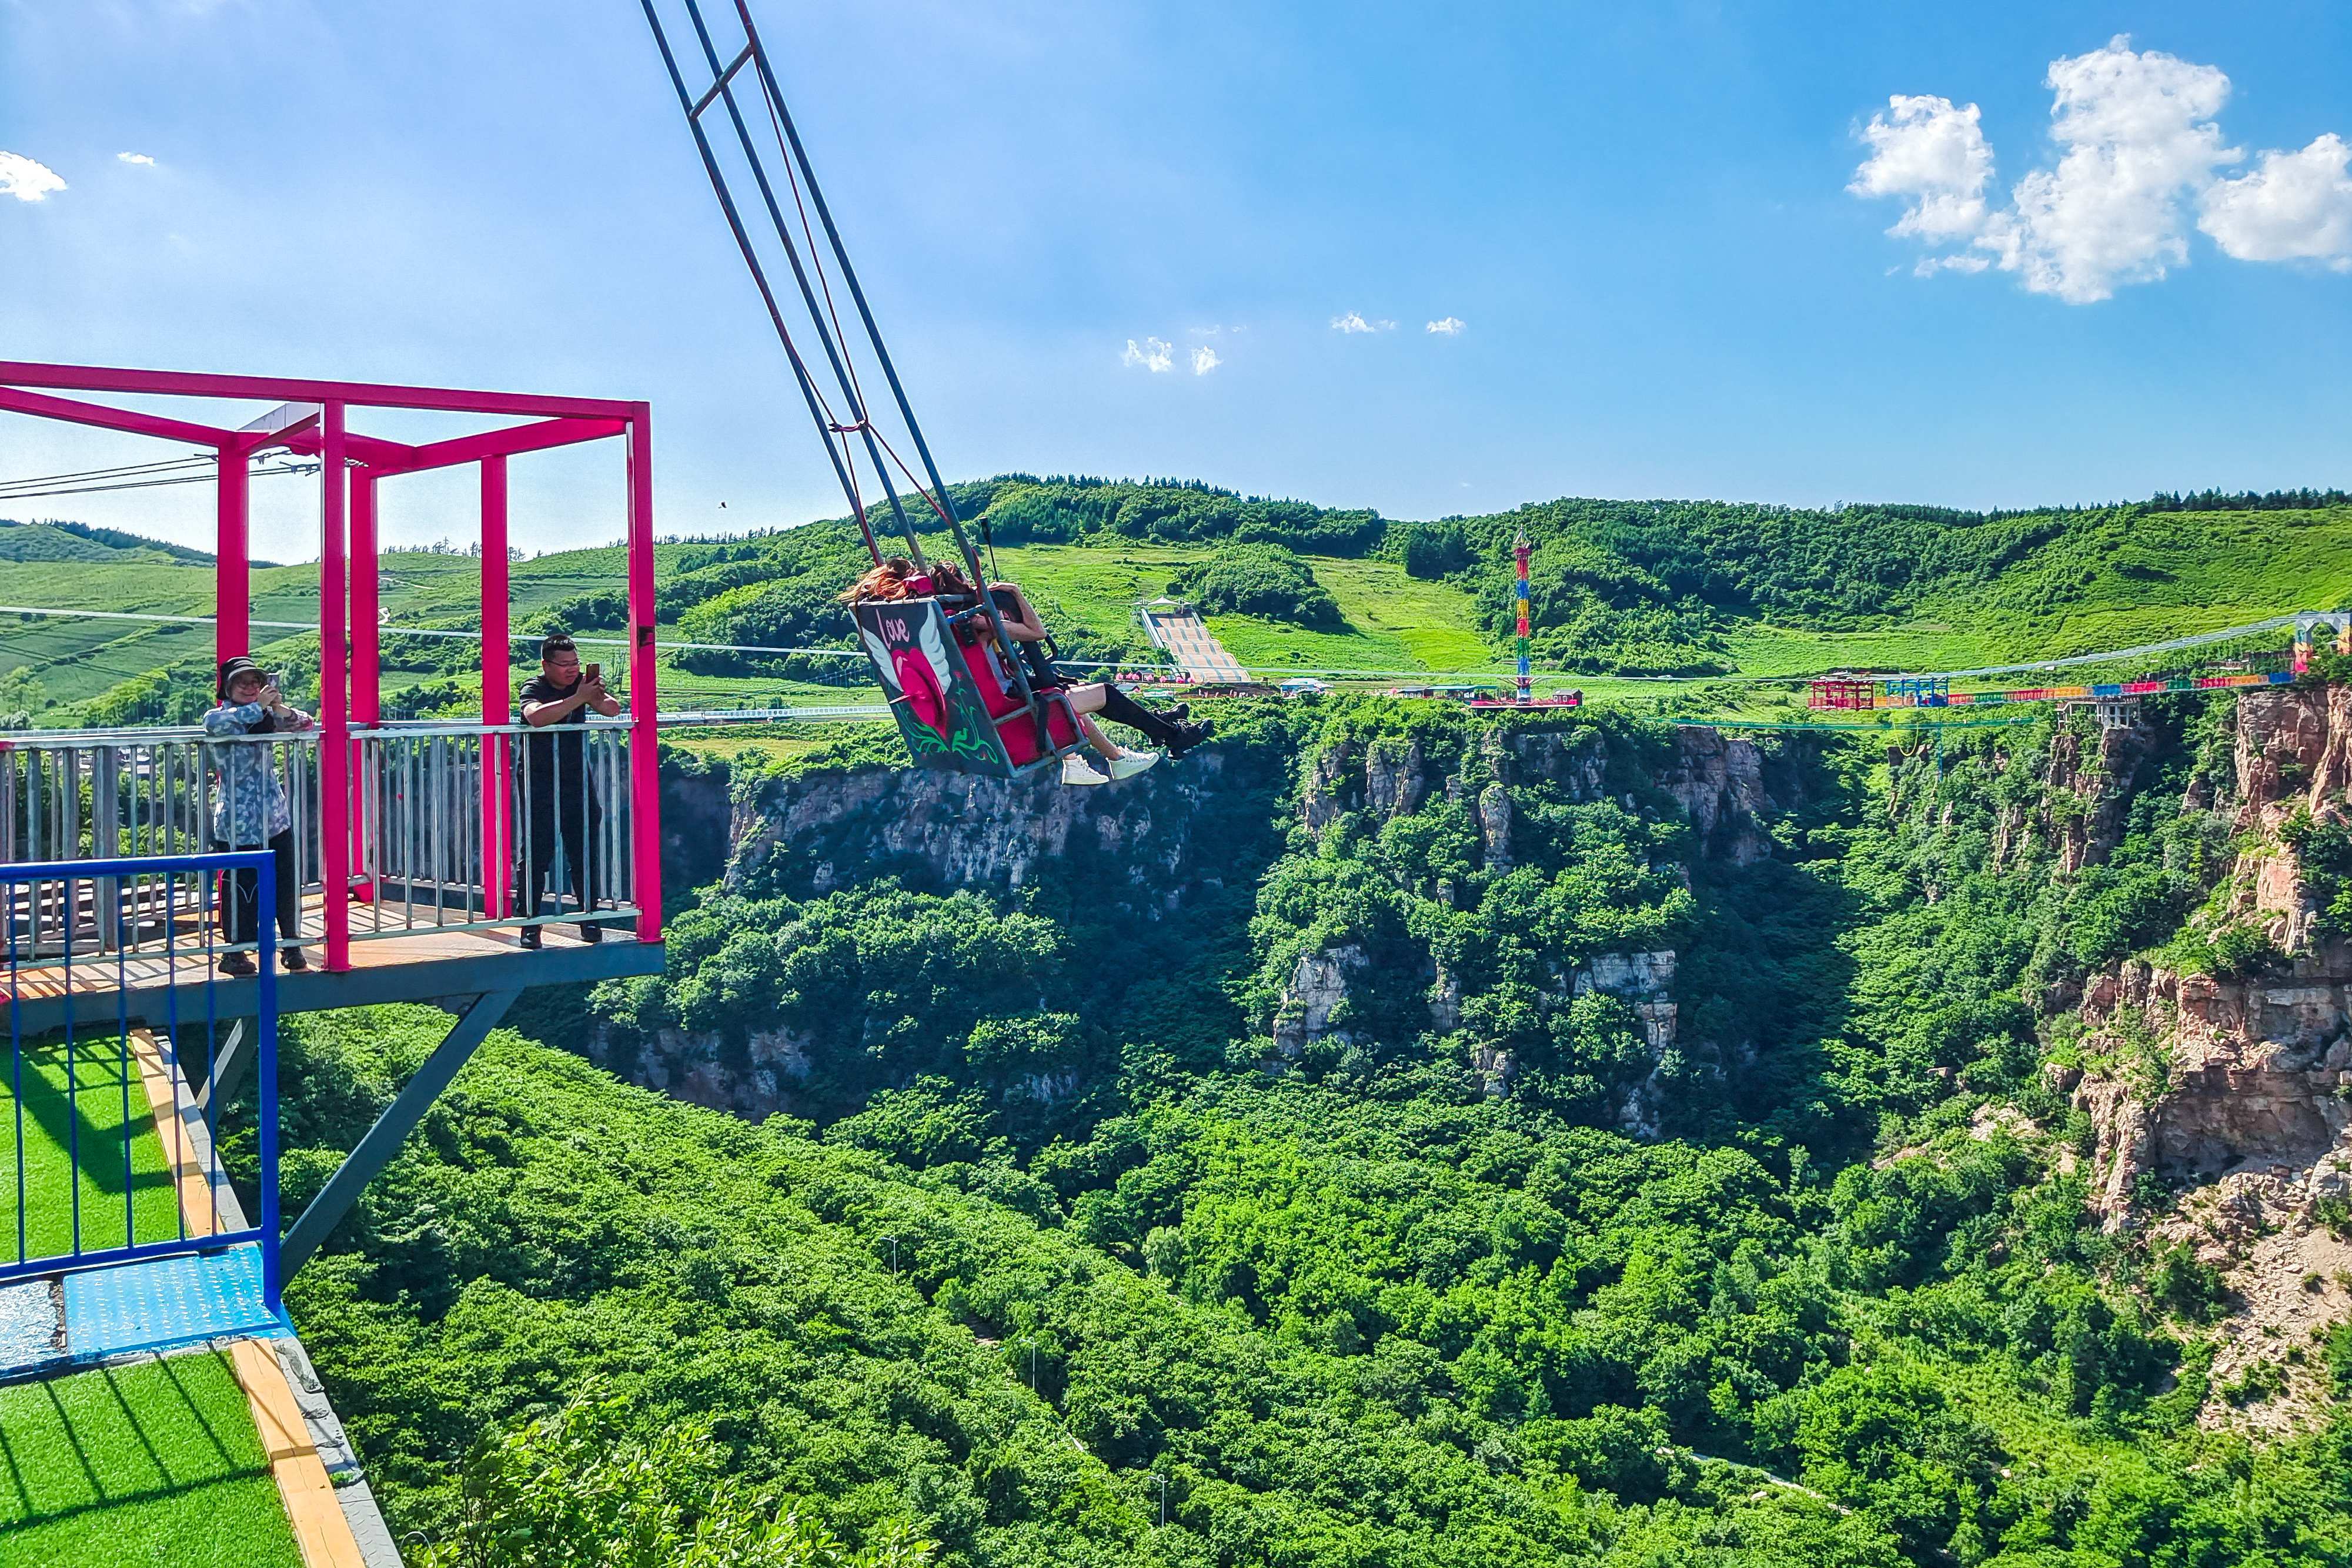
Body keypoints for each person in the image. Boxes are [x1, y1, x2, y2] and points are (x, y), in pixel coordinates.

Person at [843, 559, 1211, 784]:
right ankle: (1169, 738)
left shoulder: (931, 631)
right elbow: (1037, 633)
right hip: (1007, 711)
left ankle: (1125, 747)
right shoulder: (975, 623)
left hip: (986, 708)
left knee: (1069, 691)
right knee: (1103, 694)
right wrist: (1015, 594)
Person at [203, 656, 312, 975]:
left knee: (285, 884)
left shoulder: (263, 717)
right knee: (239, 888)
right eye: (242, 683)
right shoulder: (219, 717)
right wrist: (259, 707)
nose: (250, 688)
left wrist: (278, 708)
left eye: (256, 682)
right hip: (237, 823)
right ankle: (235, 953)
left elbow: (305, 725)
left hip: (274, 818)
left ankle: (291, 946)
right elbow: (217, 726)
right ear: (228, 688)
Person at [517, 633, 620, 948]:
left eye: (575, 663)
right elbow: (536, 717)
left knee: (585, 852)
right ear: (546, 665)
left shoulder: (582, 686)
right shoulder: (533, 688)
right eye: (564, 665)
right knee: (538, 852)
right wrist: (579, 698)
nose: (571, 670)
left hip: (576, 778)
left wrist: (596, 694)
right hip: (539, 779)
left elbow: (613, 710)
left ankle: (589, 920)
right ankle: (530, 925)